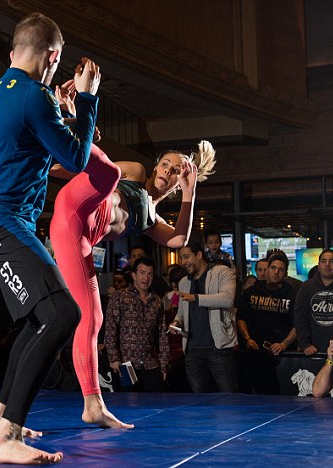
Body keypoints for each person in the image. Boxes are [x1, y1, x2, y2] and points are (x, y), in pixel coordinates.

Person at [0, 12, 101, 464]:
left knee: (37, 320)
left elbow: (23, 148)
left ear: (12, 52)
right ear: (53, 56)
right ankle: (5, 437)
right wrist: (86, 100)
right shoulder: (33, 96)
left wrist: (57, 111)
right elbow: (78, 160)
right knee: (64, 314)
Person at [50, 119, 215, 422]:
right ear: (155, 166)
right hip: (78, 210)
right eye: (165, 164)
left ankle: (91, 404)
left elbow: (179, 239)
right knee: (108, 171)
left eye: (175, 170)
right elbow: (80, 171)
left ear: (180, 182)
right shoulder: (137, 173)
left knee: (91, 318)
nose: (167, 171)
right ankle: (70, 121)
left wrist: (191, 193)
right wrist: (57, 163)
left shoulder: (151, 219)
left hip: (78, 239)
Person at [170, 241, 238, 393]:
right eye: (181, 258)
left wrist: (196, 298)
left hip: (218, 347)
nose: (183, 262)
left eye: (186, 257)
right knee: (198, 400)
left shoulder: (222, 272)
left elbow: (227, 299)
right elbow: (181, 313)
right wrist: (176, 323)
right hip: (192, 349)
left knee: (229, 396)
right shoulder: (183, 282)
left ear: (199, 255)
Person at [104, 257, 170, 392]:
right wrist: (114, 358)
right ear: (134, 275)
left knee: (154, 406)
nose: (146, 278)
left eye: (149, 274)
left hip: (151, 365)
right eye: (142, 273)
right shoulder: (119, 297)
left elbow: (162, 335)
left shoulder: (157, 301)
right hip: (126, 364)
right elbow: (111, 329)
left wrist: (164, 365)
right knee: (128, 407)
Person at [236, 253, 297, 394]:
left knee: (279, 396)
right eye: (273, 268)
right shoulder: (251, 292)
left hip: (281, 355)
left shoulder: (292, 294)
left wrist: (284, 344)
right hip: (253, 352)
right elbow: (241, 318)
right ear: (267, 269)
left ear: (286, 274)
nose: (276, 272)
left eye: (280, 269)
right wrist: (247, 339)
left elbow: (299, 324)